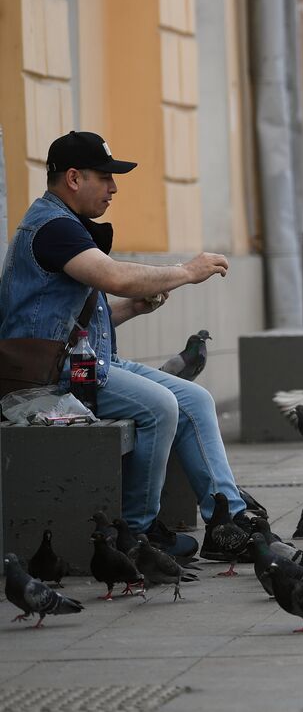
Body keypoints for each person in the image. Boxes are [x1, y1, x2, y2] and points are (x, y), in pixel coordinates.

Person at [0, 131, 249, 557]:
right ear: (74, 178)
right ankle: (138, 532)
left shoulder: (67, 225)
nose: (114, 188)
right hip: (48, 380)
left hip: (84, 363)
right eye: (105, 177)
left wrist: (129, 310)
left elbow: (63, 322)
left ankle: (229, 519)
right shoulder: (53, 227)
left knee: (195, 399)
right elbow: (114, 275)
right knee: (160, 406)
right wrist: (187, 271)